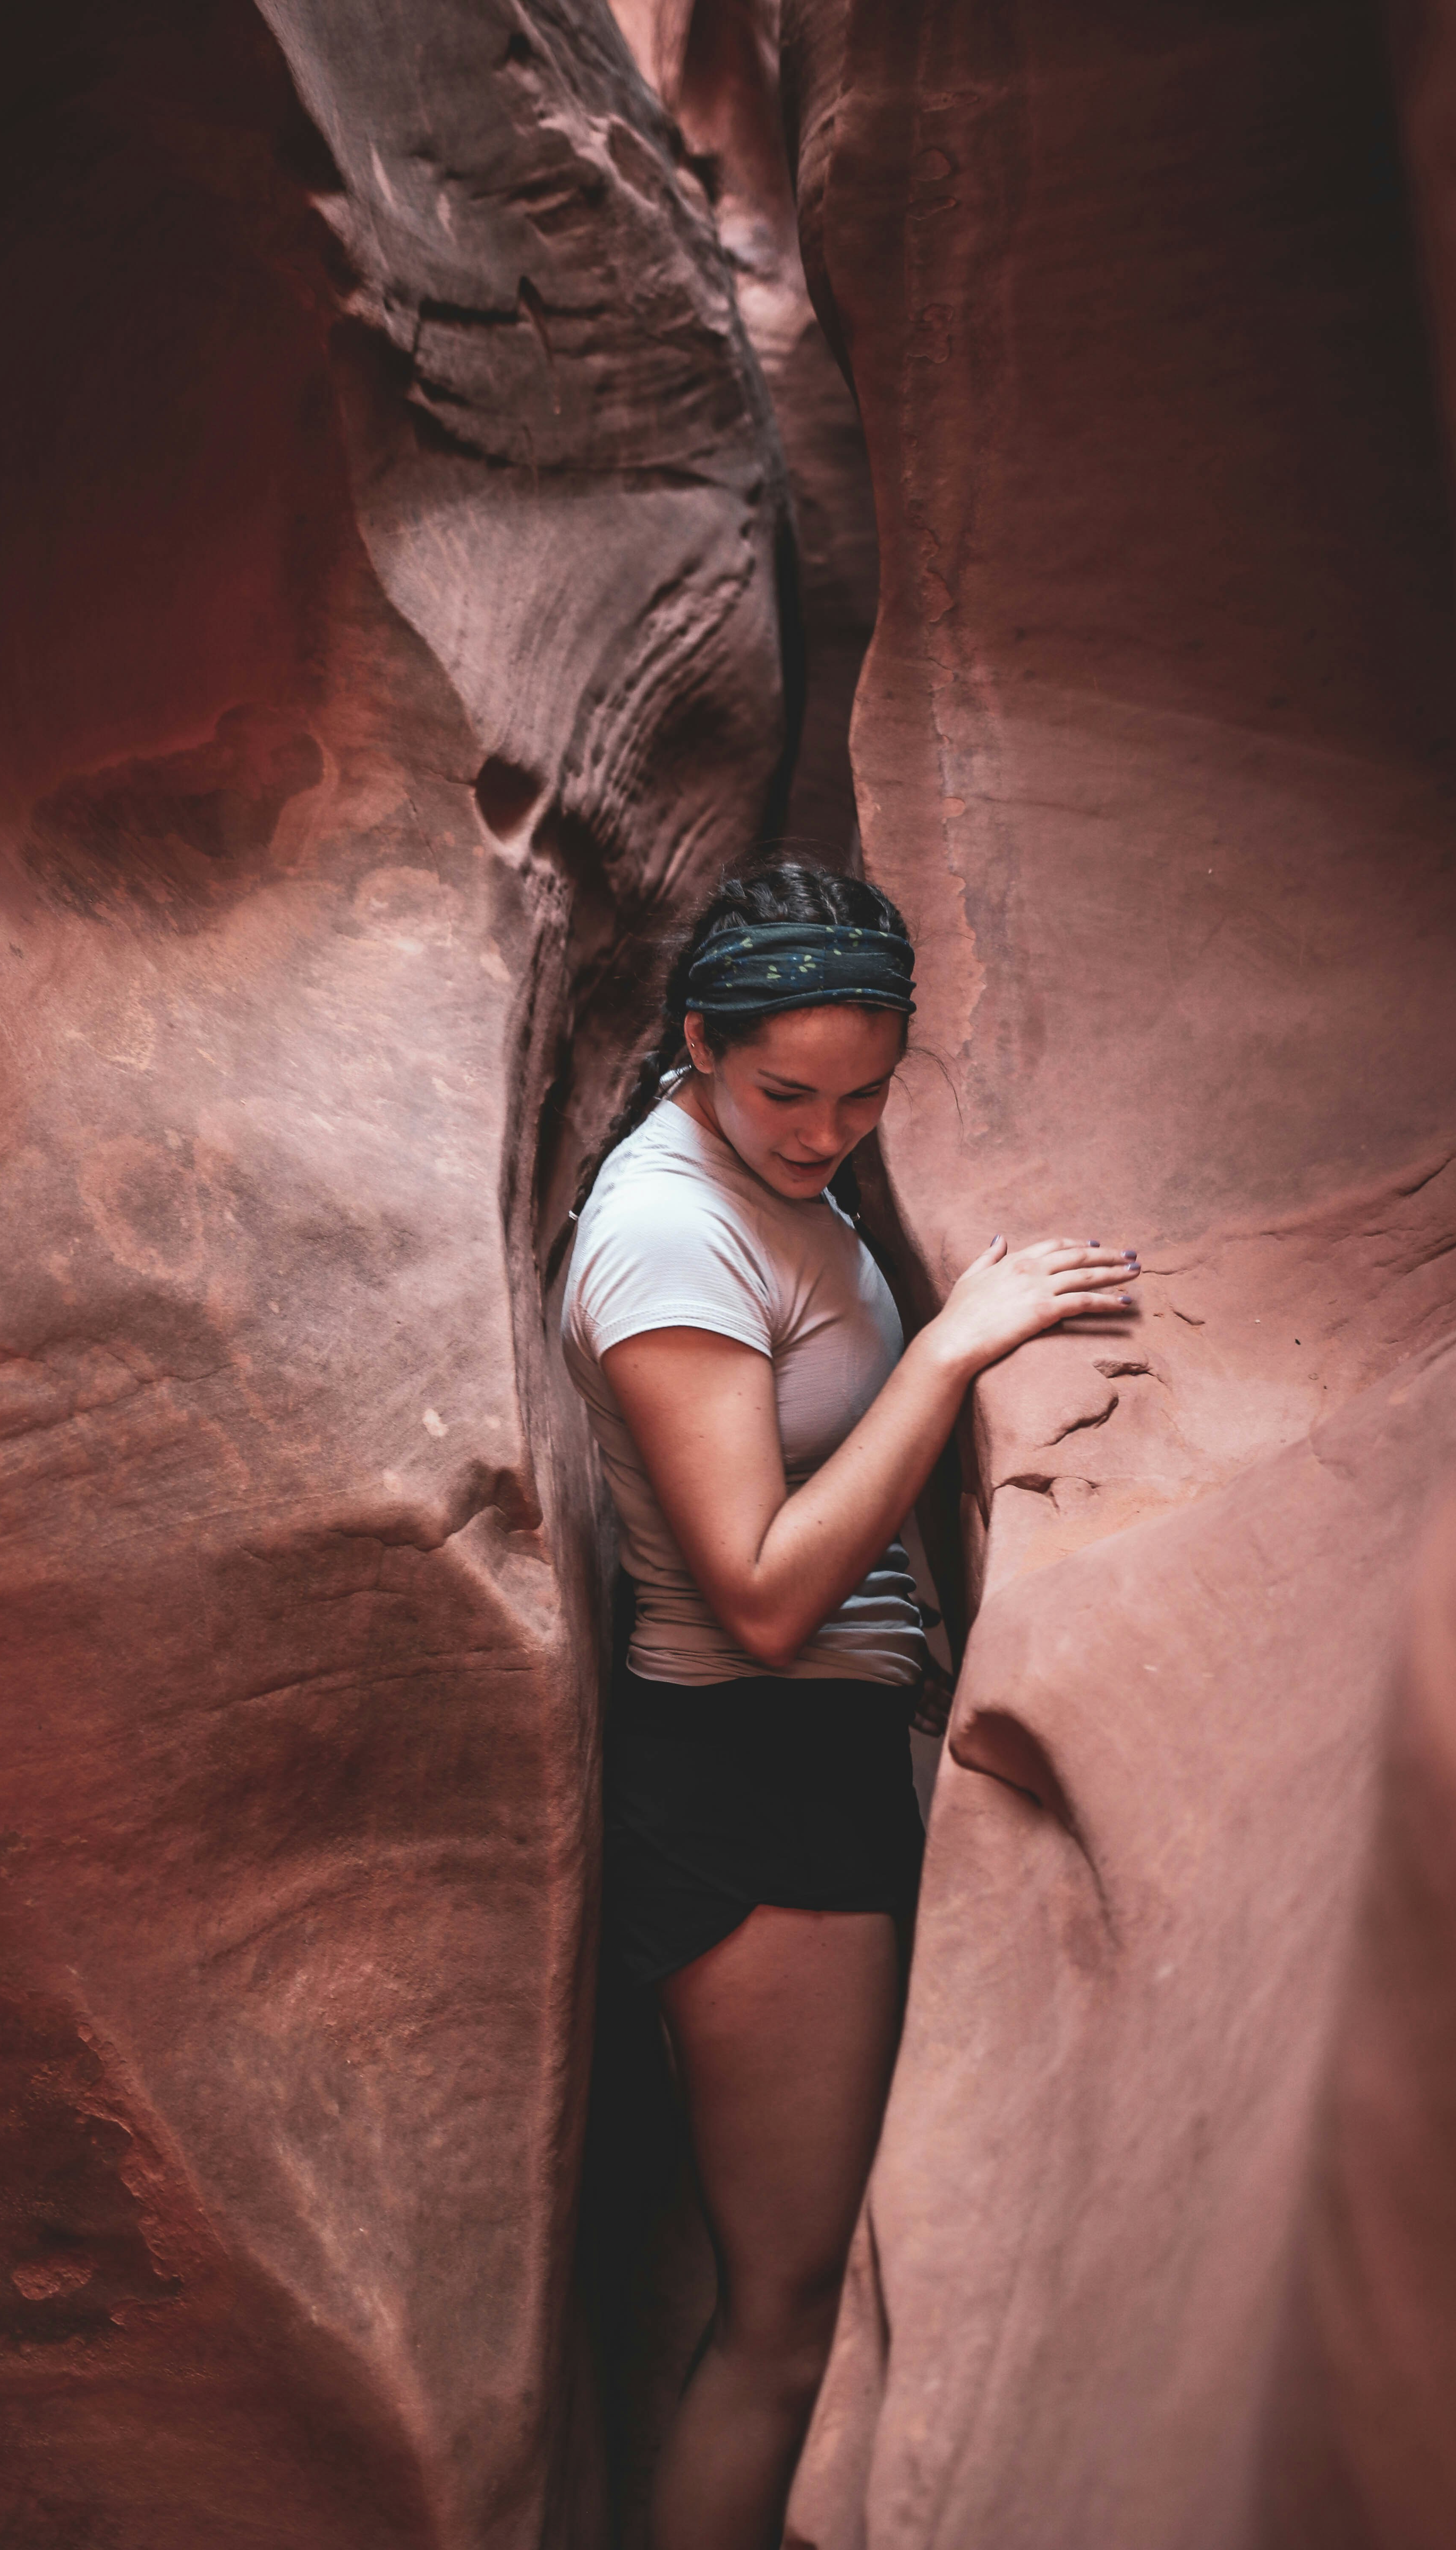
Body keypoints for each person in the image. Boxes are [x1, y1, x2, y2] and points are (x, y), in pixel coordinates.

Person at [561, 861, 1137, 2549]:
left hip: (824, 1758)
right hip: (747, 1780)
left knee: (836, 2291)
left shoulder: (769, 1184)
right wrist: (953, 1349)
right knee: (786, 2316)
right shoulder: (671, 1225)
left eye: (866, 1093)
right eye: (785, 1094)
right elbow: (755, 1594)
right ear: (698, 1048)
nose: (826, 1133)